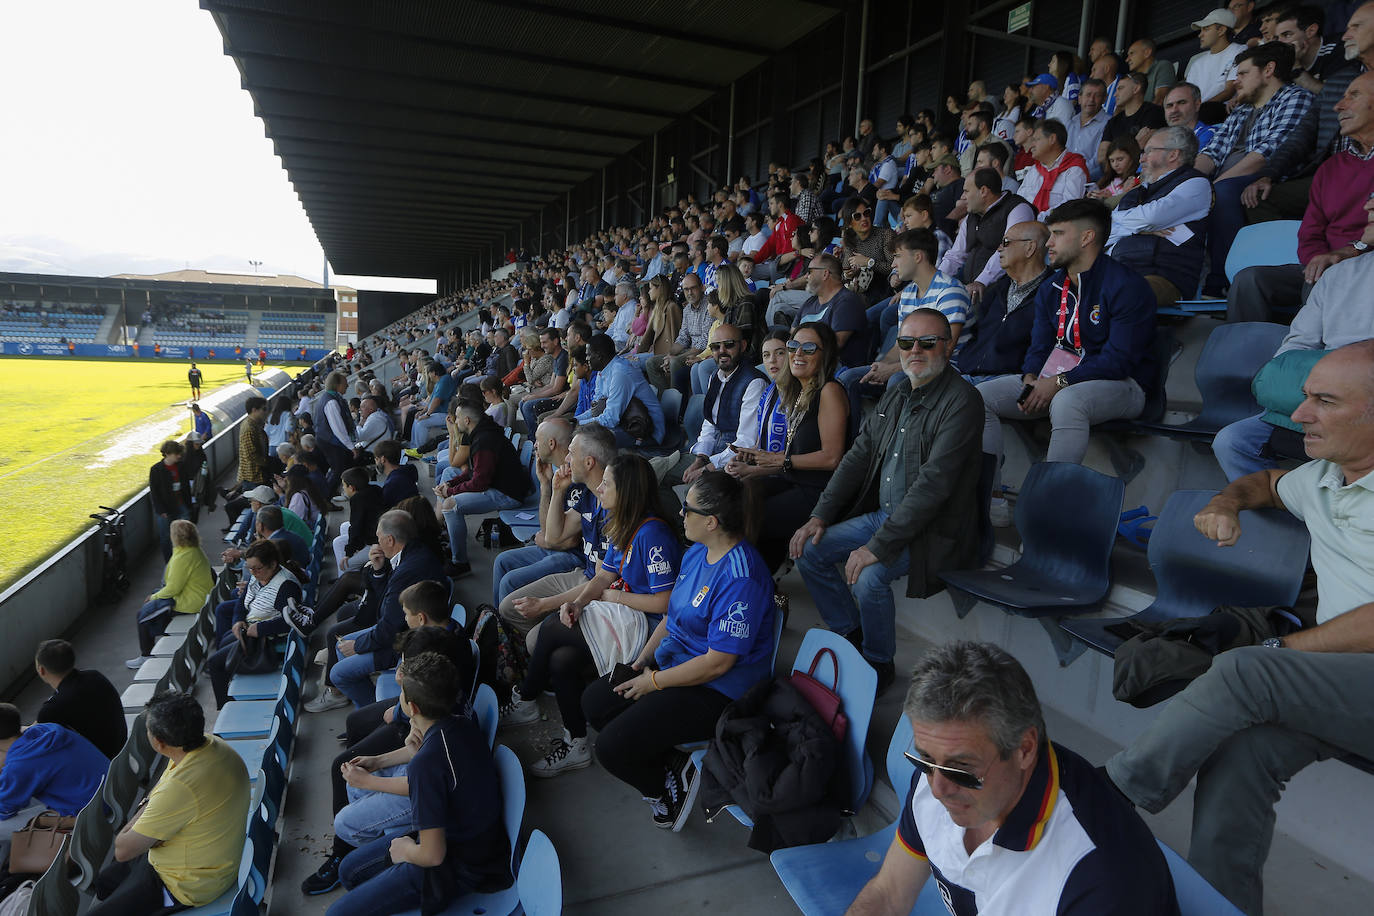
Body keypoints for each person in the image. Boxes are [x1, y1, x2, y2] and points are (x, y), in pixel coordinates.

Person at [1104, 340, 1374, 916]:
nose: (1300, 416)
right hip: (1342, 683)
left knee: (1248, 668)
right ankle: (1220, 908)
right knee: (1241, 753)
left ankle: (1107, 799)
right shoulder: (1327, 476)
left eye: (1324, 401)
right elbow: (1266, 482)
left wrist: (1284, 650)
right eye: (1305, 399)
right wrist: (1227, 502)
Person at [846, 642, 1179, 916]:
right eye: (925, 759)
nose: (937, 789)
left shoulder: (1099, 880)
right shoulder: (938, 770)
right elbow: (888, 895)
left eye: (961, 769)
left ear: (1024, 749)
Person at [792, 309, 983, 692]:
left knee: (870, 576)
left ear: (948, 346)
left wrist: (876, 548)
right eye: (906, 342)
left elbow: (933, 487)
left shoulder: (963, 402)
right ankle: (852, 635)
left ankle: (879, 663)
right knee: (809, 549)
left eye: (927, 343)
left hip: (933, 531)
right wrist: (820, 514)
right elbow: (858, 455)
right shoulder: (898, 390)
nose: (915, 350)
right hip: (886, 516)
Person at [581, 471, 776, 829]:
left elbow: (717, 665)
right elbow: (672, 617)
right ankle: (673, 764)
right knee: (596, 702)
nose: (681, 514)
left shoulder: (741, 577)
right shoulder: (697, 553)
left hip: (719, 691)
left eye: (688, 509)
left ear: (712, 522)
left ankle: (664, 791)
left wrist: (653, 682)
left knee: (611, 748)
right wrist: (641, 662)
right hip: (678, 666)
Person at [503, 454, 681, 777]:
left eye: (607, 484)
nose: (599, 489)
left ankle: (527, 698)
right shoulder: (620, 521)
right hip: (620, 614)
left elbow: (666, 603)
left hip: (648, 630)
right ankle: (577, 743)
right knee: (561, 659)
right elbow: (603, 576)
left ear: (626, 491)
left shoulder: (653, 534)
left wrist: (614, 596)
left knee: (552, 629)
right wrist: (580, 603)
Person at [977, 199, 1157, 473]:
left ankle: (1051, 500)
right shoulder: (1051, 287)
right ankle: (991, 496)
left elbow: (1117, 362)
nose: (1049, 243)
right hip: (1058, 378)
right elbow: (1040, 346)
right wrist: (1030, 378)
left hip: (1124, 385)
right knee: (980, 397)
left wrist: (1058, 382)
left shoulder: (1126, 286)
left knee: (1067, 400)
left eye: (1059, 234)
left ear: (1087, 237)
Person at [325, 653, 511, 916]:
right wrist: (413, 753)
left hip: (460, 866)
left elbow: (432, 855)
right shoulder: (460, 723)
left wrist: (406, 851)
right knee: (349, 870)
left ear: (412, 708)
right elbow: (446, 773)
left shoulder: (428, 764)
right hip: (474, 839)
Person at [1227, 71, 1374, 322]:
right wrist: (1316, 260)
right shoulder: (1331, 167)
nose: (1339, 105)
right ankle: (1246, 356)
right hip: (1325, 265)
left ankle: (1309, 357)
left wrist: (1347, 254)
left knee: (1321, 281)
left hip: (1364, 265)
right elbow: (1310, 230)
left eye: (1354, 96)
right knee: (1249, 280)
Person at [88, 693, 250, 916]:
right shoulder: (213, 745)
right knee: (105, 881)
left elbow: (123, 849)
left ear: (159, 743)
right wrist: (152, 810)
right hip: (207, 858)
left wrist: (140, 815)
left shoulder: (181, 786)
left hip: (188, 884)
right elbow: (160, 798)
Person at [1197, 41, 1317, 296]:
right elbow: (1212, 151)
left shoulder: (1295, 98)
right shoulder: (1243, 109)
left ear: (1268, 70)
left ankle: (1222, 280)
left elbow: (1266, 154)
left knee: (1225, 192)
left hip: (1269, 177)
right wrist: (1189, 182)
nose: (1236, 81)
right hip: (1227, 177)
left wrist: (1213, 187)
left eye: (1242, 73)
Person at [728, 323, 848, 572]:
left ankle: (751, 581)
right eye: (793, 346)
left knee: (750, 518)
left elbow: (832, 458)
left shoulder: (829, 391)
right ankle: (762, 575)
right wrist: (756, 467)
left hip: (818, 491)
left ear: (825, 355)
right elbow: (789, 462)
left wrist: (781, 461)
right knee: (740, 493)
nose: (798, 354)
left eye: (809, 348)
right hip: (794, 480)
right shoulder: (800, 393)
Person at [310, 510, 446, 712]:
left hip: (403, 643)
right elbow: (385, 604)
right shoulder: (413, 552)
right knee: (339, 645)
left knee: (338, 672)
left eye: (379, 537)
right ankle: (367, 708)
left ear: (390, 540)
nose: (377, 542)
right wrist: (379, 571)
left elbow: (389, 627)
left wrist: (359, 645)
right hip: (400, 632)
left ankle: (372, 713)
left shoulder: (409, 570)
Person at [500, 424, 615, 652]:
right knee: (507, 608)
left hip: (596, 583)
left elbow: (603, 580)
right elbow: (554, 535)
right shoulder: (589, 495)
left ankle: (546, 657)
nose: (567, 459)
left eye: (572, 453)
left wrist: (544, 605)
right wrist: (555, 488)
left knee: (536, 637)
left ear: (589, 463)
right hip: (584, 574)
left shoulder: (613, 505)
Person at [1106, 125, 1212, 309]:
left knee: (1122, 292)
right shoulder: (1136, 193)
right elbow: (1106, 233)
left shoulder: (1196, 184)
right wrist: (1142, 230)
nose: (1142, 158)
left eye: (1148, 151)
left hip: (1164, 277)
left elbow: (1151, 218)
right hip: (1121, 268)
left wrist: (1136, 226)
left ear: (1173, 155)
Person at [660, 323, 768, 489]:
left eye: (729, 344)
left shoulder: (754, 382)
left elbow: (746, 442)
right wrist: (700, 459)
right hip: (710, 457)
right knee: (655, 473)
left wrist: (706, 469)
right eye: (716, 347)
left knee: (675, 486)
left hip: (732, 465)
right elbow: (710, 423)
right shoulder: (715, 377)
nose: (722, 351)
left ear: (743, 346)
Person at [490, 418, 584, 607]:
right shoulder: (556, 471)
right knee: (502, 561)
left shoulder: (577, 478)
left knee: (511, 581)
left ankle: (509, 630)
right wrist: (545, 484)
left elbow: (568, 541)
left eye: (537, 439)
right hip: (555, 546)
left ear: (551, 444)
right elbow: (546, 528)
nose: (534, 444)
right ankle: (497, 623)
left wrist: (545, 539)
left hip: (575, 556)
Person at [953, 220, 1053, 386]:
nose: (999, 248)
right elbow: (976, 334)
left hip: (1008, 380)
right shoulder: (998, 288)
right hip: (968, 372)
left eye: (1006, 242)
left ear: (1030, 248)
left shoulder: (1053, 292)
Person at [436, 402, 530, 578]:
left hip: (508, 494)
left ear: (467, 420)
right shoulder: (483, 434)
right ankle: (451, 539)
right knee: (449, 487)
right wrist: (450, 484)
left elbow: (480, 482)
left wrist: (451, 492)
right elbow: (474, 471)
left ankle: (460, 563)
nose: (455, 422)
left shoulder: (485, 440)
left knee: (450, 505)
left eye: (457, 418)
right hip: (498, 486)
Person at [206, 539, 301, 707]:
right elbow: (242, 603)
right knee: (223, 646)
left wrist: (261, 628)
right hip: (249, 631)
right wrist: (237, 620)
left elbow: (291, 621)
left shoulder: (286, 586)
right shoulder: (259, 577)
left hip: (267, 639)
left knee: (215, 663)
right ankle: (228, 698)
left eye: (257, 568)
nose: (253, 572)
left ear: (272, 564)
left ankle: (225, 706)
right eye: (250, 568)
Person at [937, 168, 1035, 301]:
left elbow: (1009, 249)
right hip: (972, 289)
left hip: (1003, 293)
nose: (962, 197)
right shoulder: (971, 216)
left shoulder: (1018, 209)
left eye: (966, 191)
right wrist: (934, 283)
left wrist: (981, 281)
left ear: (983, 191)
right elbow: (955, 256)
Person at [128, 519, 214, 670]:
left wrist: (153, 597)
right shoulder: (192, 549)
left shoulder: (184, 556)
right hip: (196, 596)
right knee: (153, 604)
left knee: (142, 615)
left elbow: (173, 588)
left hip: (191, 602)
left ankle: (146, 655)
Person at [34, 639, 126, 758]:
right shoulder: (94, 676)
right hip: (122, 749)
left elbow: (40, 744)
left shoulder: (52, 709)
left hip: (100, 761)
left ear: (41, 670)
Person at [575, 334, 666, 448]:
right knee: (581, 433)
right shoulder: (602, 371)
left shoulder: (620, 372)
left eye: (588, 355)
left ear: (599, 356)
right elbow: (595, 409)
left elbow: (610, 419)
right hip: (625, 424)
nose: (587, 359)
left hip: (647, 432)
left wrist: (580, 425)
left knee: (591, 440)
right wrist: (576, 420)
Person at [791, 253, 871, 369]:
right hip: (801, 362)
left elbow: (834, 345)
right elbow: (792, 336)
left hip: (832, 369)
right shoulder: (810, 302)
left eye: (810, 271)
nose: (806, 276)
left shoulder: (847, 302)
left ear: (825, 274)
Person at [1018, 119, 1090, 217]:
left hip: (1056, 226)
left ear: (1052, 139)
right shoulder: (1034, 170)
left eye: (1036, 139)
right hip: (1025, 223)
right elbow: (1019, 201)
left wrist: (1036, 219)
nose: (1032, 144)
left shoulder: (1074, 169)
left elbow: (1069, 208)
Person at [1185, 9, 1245, 106]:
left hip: (1223, 111)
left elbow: (1230, 90)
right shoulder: (1197, 63)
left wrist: (1200, 109)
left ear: (1221, 30)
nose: (1200, 35)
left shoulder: (1239, 51)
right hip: (1197, 114)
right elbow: (1187, 96)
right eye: (1201, 30)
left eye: (1206, 29)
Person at [334, 465, 386, 575]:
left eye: (344, 486)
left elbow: (356, 528)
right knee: (344, 527)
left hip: (376, 543)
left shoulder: (358, 499)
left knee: (346, 566)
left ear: (351, 488)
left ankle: (345, 577)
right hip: (375, 533)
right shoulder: (374, 489)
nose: (343, 489)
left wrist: (349, 553)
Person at [149, 439, 192, 561]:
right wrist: (160, 510)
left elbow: (186, 487)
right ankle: (169, 562)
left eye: (179, 453)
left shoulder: (181, 466)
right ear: (167, 454)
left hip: (182, 505)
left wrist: (189, 505)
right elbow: (155, 492)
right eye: (176, 454)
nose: (179, 456)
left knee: (186, 535)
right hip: (165, 510)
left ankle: (185, 559)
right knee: (166, 537)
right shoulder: (156, 470)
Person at [1066, 79, 1111, 181]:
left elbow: (1097, 162)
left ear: (1104, 99)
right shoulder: (1070, 122)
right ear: (1080, 98)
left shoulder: (1108, 123)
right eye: (1088, 95)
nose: (1091, 99)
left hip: (1090, 180)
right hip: (1064, 176)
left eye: (1097, 96)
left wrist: (1075, 175)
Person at [1164, 81, 1217, 149]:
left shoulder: (1210, 134)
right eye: (1169, 105)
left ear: (1197, 105)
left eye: (1181, 103)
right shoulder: (1161, 140)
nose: (1174, 110)